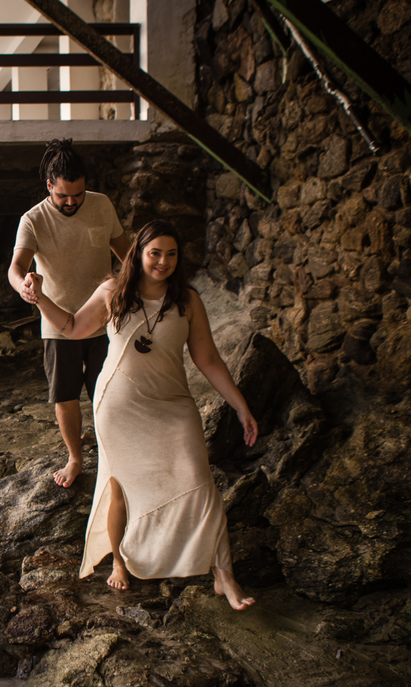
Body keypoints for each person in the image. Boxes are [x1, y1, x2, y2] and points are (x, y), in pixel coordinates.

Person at [28, 219, 257, 611]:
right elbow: (70, 327)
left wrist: (240, 405)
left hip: (173, 404)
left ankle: (224, 574)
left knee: (200, 481)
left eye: (171, 254)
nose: (163, 261)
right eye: (155, 253)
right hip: (119, 406)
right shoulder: (113, 291)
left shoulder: (187, 301)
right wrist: (40, 298)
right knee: (119, 488)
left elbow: (208, 359)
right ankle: (119, 559)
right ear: (138, 253)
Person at [8, 139, 131, 488]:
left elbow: (126, 253)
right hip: (58, 321)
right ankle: (75, 458)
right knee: (65, 395)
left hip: (102, 318)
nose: (72, 202)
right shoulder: (32, 219)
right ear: (49, 185)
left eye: (78, 194)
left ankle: (114, 453)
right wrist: (23, 286)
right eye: (63, 195)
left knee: (108, 390)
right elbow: (16, 267)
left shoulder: (102, 205)